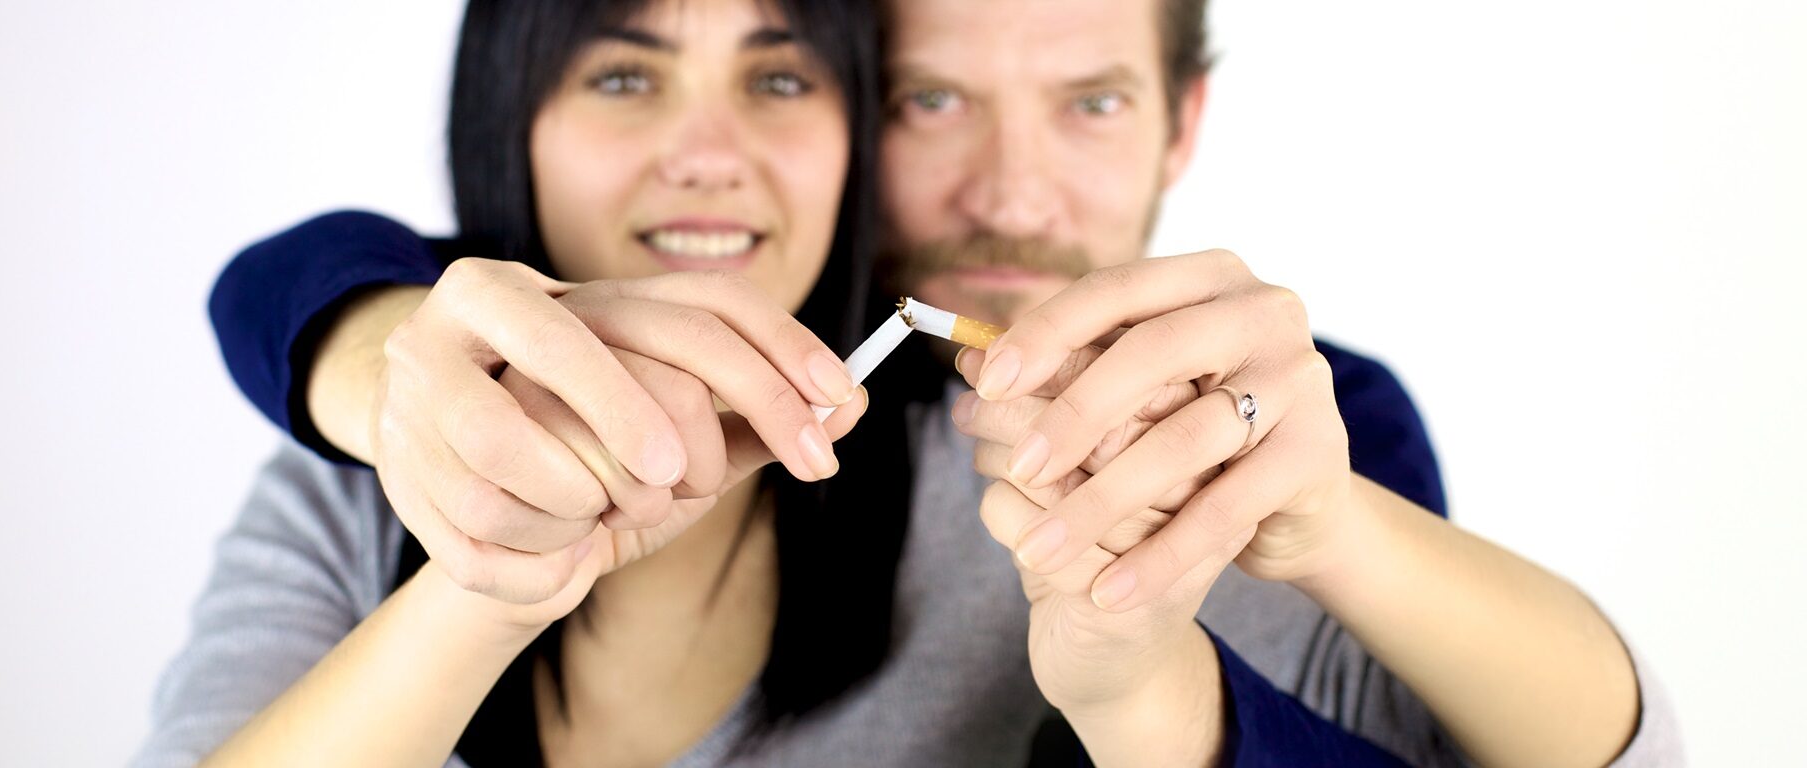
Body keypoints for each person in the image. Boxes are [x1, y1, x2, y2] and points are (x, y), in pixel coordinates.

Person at [145, 1, 1681, 767]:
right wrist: (368, 356)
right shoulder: (398, 446)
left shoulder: (1224, 443)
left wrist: (1162, 672)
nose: (1011, 193)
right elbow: (309, 277)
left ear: (1181, 122)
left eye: (1091, 102)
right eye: (937, 100)